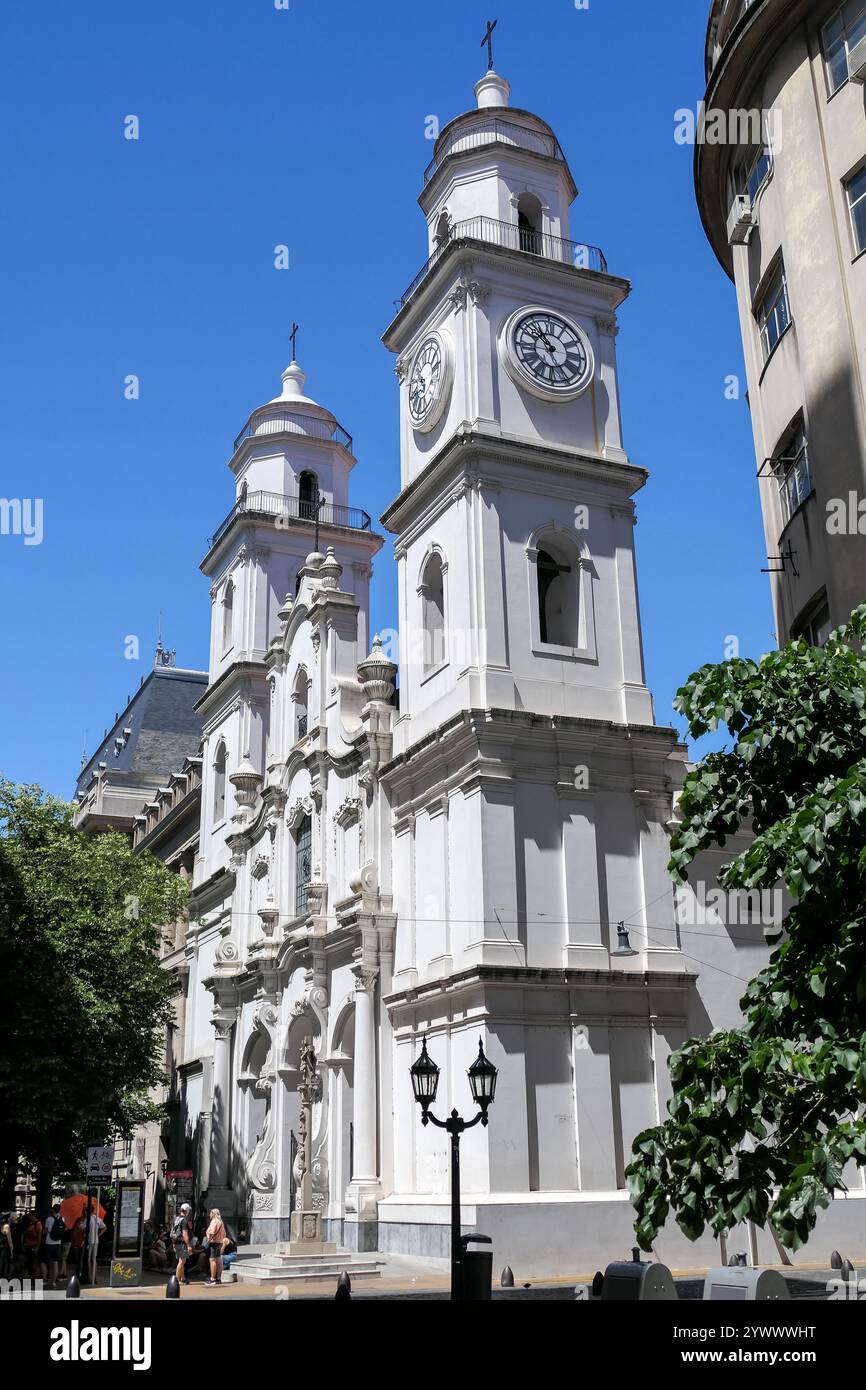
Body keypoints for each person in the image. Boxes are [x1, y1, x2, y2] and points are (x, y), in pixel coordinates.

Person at [171, 1203, 193, 1285]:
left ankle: (182, 1278)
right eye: (188, 1211)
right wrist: (189, 1245)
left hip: (176, 1242)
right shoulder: (184, 1220)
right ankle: (176, 1281)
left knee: (182, 1261)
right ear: (187, 1211)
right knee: (182, 1261)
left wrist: (173, 1243)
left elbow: (173, 1231)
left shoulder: (176, 1219)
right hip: (182, 1243)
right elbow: (185, 1234)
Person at [43, 1205, 64, 1288]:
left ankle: (44, 1280)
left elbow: (45, 1231)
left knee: (45, 1262)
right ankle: (53, 1282)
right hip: (58, 1243)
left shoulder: (49, 1219)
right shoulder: (62, 1219)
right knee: (55, 1262)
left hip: (48, 1243)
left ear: (53, 1210)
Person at [204, 1208, 226, 1287]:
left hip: (213, 1242)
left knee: (212, 1260)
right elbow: (224, 1234)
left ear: (213, 1214)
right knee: (218, 1260)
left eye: (210, 1213)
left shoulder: (214, 1221)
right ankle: (218, 1278)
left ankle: (212, 1279)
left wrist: (208, 1235)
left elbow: (212, 1232)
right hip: (220, 1242)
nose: (209, 1215)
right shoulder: (220, 1222)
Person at [21, 1212, 42, 1282]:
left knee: (33, 1263)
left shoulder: (38, 1224)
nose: (29, 1217)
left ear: (33, 1216)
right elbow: (23, 1234)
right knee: (29, 1263)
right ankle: (31, 1277)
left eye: (30, 1215)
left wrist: (37, 1248)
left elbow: (39, 1237)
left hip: (33, 1246)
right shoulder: (30, 1223)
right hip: (28, 1246)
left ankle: (33, 1278)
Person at [0, 1213, 12, 1279]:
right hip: (4, 1247)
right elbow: (9, 1239)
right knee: (5, 1263)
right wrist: (12, 1249)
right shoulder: (6, 1226)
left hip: (1, 1246)